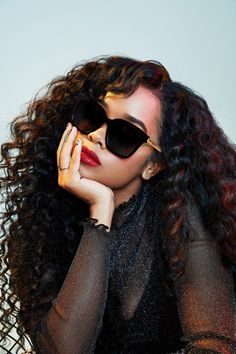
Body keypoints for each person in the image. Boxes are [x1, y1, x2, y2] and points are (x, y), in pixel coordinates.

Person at [0, 55, 236, 354]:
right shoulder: (45, 216)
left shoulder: (179, 214)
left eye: (125, 134)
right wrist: (101, 211)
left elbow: (215, 347)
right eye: (93, 116)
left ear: (154, 165)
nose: (96, 136)